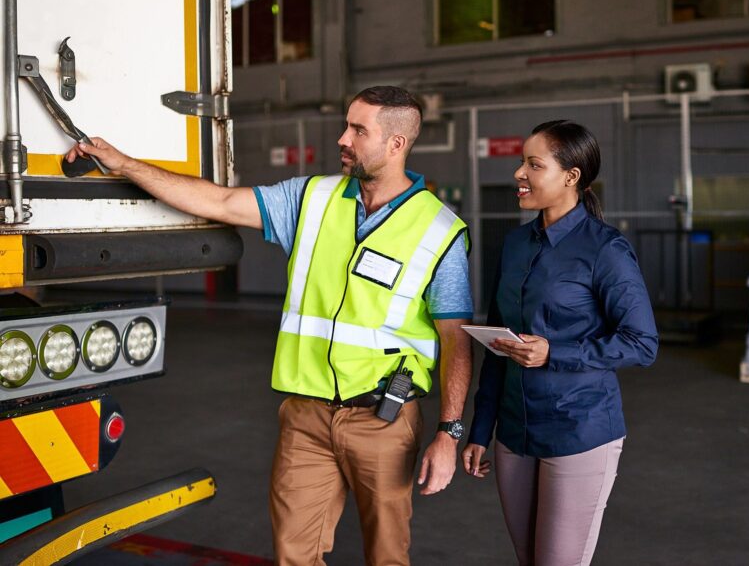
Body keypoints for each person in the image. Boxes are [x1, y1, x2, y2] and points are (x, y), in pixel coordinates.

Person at [66, 86, 474, 566]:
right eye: (345, 124)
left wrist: (448, 433)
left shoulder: (438, 230)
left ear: (396, 144)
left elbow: (455, 341)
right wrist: (126, 164)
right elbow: (217, 201)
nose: (342, 138)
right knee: (292, 555)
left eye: (358, 130)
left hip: (383, 420)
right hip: (305, 418)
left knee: (387, 556)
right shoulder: (311, 199)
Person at [461, 120, 658, 566]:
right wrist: (480, 428)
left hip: (579, 431)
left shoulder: (605, 249)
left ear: (571, 177)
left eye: (534, 164)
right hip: (513, 434)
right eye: (521, 162)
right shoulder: (514, 244)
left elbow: (642, 342)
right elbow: (498, 343)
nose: (518, 173)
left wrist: (555, 353)